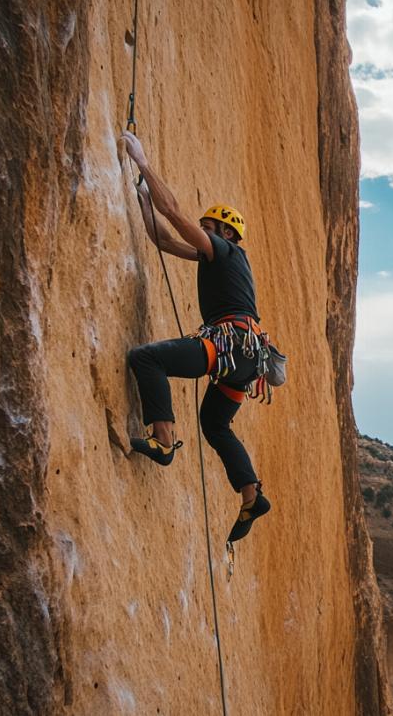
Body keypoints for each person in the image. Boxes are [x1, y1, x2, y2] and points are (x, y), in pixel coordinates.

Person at [120, 130, 271, 543]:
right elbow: (164, 238)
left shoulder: (226, 251)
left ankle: (163, 441)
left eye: (208, 227)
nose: (201, 232)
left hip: (229, 346)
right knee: (214, 425)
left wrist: (143, 163)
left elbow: (174, 215)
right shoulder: (216, 257)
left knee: (147, 358)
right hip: (246, 359)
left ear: (225, 233)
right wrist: (143, 202)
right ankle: (251, 494)